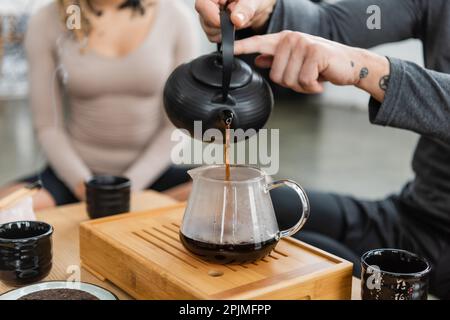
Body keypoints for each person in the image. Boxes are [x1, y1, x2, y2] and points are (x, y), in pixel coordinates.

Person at [195, 0, 450, 299]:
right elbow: (336, 25)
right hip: (412, 216)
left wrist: (364, 69)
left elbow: (353, 60)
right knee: (231, 209)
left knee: (312, 270)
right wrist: (266, 11)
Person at [0, 0, 199, 209]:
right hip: (73, 179)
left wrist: (126, 189)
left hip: (153, 176)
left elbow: (175, 127)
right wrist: (87, 188)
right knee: (6, 208)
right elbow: (48, 127)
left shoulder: (176, 17)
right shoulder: (46, 20)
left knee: (225, 193)